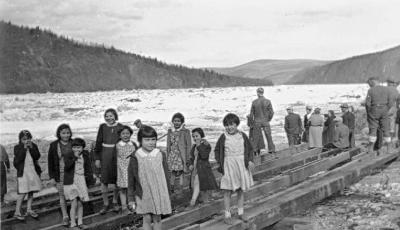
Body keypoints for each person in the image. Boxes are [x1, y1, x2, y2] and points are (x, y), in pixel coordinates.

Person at [127, 125, 171, 230]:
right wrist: (131, 199)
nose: (151, 142)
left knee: (157, 218)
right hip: (143, 193)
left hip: (159, 192)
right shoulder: (135, 156)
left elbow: (166, 175)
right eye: (147, 140)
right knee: (146, 218)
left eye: (153, 139)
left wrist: (168, 193)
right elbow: (131, 180)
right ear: (140, 141)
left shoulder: (160, 154)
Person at [215, 113, 255, 225]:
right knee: (227, 190)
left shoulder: (242, 135)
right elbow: (217, 151)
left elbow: (250, 149)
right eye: (227, 125)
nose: (229, 127)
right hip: (229, 165)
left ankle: (240, 213)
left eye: (232, 124)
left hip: (241, 164)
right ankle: (227, 215)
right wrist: (220, 163)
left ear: (236, 124)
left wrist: (250, 161)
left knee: (240, 190)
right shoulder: (223, 136)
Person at [94, 108, 124, 214]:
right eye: (106, 116)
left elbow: (125, 140)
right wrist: (97, 158)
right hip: (105, 155)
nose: (108, 118)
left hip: (116, 155)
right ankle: (105, 203)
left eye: (111, 115)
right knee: (104, 180)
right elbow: (98, 142)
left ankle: (115, 201)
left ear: (115, 116)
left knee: (116, 179)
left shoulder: (120, 126)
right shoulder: (102, 127)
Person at [47, 124, 73, 226]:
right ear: (59, 133)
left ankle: (74, 214)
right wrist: (52, 177)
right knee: (62, 196)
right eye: (63, 133)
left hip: (73, 174)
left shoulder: (74, 143)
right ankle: (65, 216)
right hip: (60, 174)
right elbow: (50, 162)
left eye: (67, 133)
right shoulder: (54, 145)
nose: (66, 135)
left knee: (74, 194)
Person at [13, 130, 42, 221]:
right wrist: (24, 149)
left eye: (28, 139)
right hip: (23, 173)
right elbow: (17, 161)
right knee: (23, 192)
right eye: (24, 139)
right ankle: (17, 212)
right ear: (20, 140)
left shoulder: (34, 146)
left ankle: (29, 209)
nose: (26, 141)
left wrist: (32, 148)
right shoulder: (17, 147)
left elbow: (37, 156)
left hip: (32, 172)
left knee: (31, 191)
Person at [63, 138, 92, 228]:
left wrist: (89, 180)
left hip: (81, 180)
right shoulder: (68, 155)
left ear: (82, 148)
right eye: (74, 147)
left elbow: (88, 168)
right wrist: (74, 157)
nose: (76, 149)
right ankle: (73, 223)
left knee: (80, 202)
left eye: (79, 147)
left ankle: (80, 222)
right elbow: (67, 167)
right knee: (74, 202)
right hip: (71, 181)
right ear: (72, 148)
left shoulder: (85, 155)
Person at [186, 128, 218, 210]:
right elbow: (190, 158)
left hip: (203, 170)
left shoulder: (206, 145)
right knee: (200, 187)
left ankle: (192, 202)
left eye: (197, 136)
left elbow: (204, 156)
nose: (195, 138)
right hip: (195, 169)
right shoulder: (193, 146)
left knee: (198, 184)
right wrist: (189, 164)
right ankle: (205, 204)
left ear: (201, 135)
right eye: (193, 136)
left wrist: (199, 145)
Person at [365, 77, 394, 154]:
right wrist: (386, 109)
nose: (369, 85)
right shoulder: (387, 89)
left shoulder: (370, 90)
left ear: (372, 82)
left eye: (369, 83)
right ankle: (389, 148)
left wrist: (369, 113)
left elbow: (367, 104)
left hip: (374, 110)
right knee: (386, 129)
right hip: (384, 109)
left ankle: (370, 149)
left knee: (373, 128)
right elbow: (391, 102)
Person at [166, 113, 192, 194]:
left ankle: (181, 188)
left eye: (178, 121)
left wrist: (188, 157)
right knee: (173, 172)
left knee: (181, 172)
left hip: (181, 156)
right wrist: (167, 156)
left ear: (182, 122)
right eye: (175, 121)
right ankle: (172, 188)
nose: (176, 122)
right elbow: (168, 145)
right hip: (172, 155)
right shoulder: (170, 131)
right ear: (172, 122)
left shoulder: (186, 131)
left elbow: (189, 145)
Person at [115, 125, 138, 215]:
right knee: (122, 189)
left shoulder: (133, 144)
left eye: (127, 133)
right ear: (120, 135)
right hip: (121, 170)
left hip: (132, 169)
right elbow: (114, 158)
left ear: (130, 134)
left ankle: (132, 206)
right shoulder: (117, 145)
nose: (125, 135)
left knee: (131, 188)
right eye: (123, 134)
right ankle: (124, 207)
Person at [249, 87, 276, 153]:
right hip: (265, 121)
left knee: (256, 138)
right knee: (269, 137)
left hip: (257, 122)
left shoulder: (254, 102)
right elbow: (272, 112)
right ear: (263, 92)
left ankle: (254, 151)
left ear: (257, 93)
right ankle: (271, 150)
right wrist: (268, 119)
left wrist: (251, 123)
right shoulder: (268, 101)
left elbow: (251, 114)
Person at [387, 78, 400, 146]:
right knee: (392, 125)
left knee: (385, 124)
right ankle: (391, 140)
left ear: (389, 83)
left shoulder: (386, 89)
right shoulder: (396, 90)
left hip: (386, 108)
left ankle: (386, 140)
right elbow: (398, 100)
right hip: (394, 108)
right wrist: (397, 108)